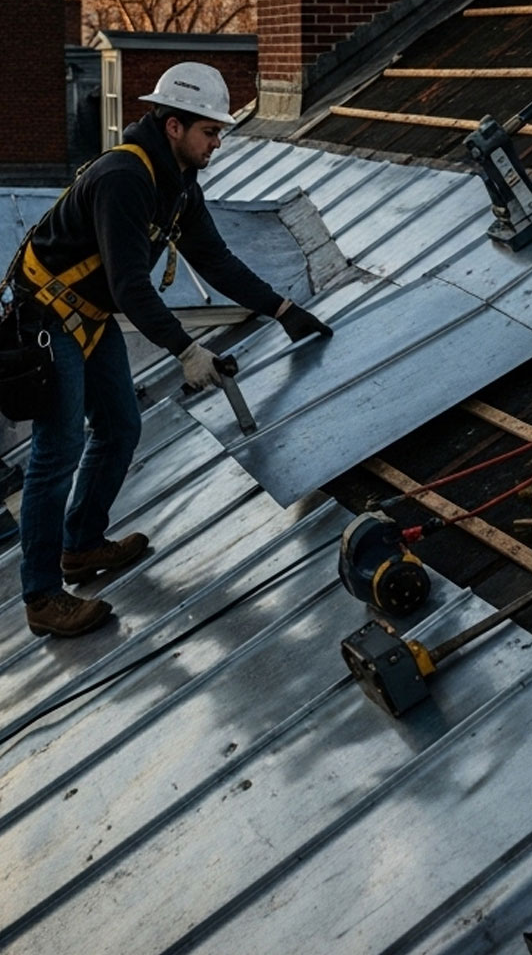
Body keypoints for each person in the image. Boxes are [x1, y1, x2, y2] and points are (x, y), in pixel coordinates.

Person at [10, 62, 332, 638]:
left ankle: (80, 545)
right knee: (56, 453)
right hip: (48, 319)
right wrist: (186, 349)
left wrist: (282, 310)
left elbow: (215, 259)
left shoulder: (178, 184)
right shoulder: (124, 178)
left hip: (91, 314)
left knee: (120, 427)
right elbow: (131, 284)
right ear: (174, 126)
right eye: (210, 132)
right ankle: (41, 597)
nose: (217, 144)